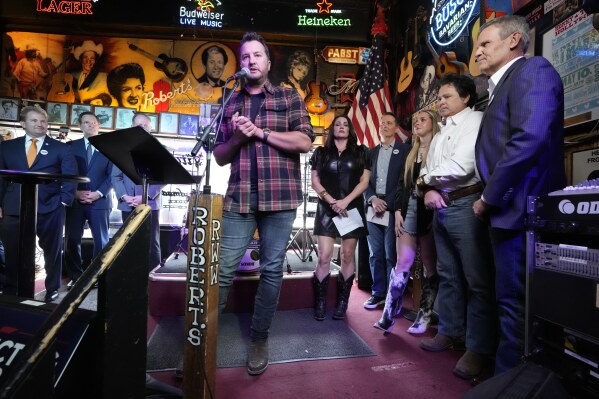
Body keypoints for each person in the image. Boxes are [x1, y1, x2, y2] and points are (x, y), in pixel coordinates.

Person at [213, 32, 313, 376]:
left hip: (281, 197)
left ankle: (259, 338)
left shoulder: (288, 96)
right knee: (222, 270)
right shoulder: (229, 101)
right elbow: (220, 156)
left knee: (271, 270)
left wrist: (260, 133)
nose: (251, 61)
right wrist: (239, 137)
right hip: (240, 196)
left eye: (257, 55)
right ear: (239, 64)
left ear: (268, 63)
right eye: (244, 57)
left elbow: (304, 141)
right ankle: (202, 342)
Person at [473, 15, 566, 374]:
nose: (477, 52)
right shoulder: (501, 86)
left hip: (520, 210)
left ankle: (512, 385)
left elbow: (529, 139)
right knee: (507, 304)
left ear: (514, 40)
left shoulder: (532, 70)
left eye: (485, 43)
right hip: (508, 211)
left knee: (517, 306)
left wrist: (488, 198)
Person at [416, 74, 496, 380]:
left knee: (477, 280)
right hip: (441, 206)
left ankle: (478, 347)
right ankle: (449, 331)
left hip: (466, 203)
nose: (441, 102)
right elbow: (426, 170)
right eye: (440, 97)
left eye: (447, 97)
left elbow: (462, 168)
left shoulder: (476, 121)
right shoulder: (439, 134)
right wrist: (429, 188)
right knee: (448, 275)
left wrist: (426, 181)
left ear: (465, 98)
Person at [0, 106, 77, 301]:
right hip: (13, 206)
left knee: (52, 250)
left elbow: (70, 178)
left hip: (51, 206)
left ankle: (52, 288)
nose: (40, 124)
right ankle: (11, 290)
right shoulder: (7, 147)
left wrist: (64, 202)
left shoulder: (62, 148)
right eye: (34, 121)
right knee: (12, 251)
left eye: (43, 121)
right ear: (23, 124)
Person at [373, 109, 439, 334]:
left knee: (430, 265)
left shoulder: (440, 146)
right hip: (408, 207)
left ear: (434, 122)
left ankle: (424, 315)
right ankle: (388, 314)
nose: (417, 123)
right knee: (402, 263)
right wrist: (399, 210)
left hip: (430, 209)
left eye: (422, 120)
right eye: (415, 121)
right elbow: (402, 184)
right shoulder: (410, 151)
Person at [310, 115, 370, 321]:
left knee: (346, 255)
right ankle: (320, 301)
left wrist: (345, 201)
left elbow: (364, 181)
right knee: (324, 256)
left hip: (351, 208)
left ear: (350, 129)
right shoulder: (321, 152)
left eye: (345, 124)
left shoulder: (361, 151)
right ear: (332, 129)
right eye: (338, 124)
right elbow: (315, 182)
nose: (341, 127)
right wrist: (332, 201)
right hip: (327, 208)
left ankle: (342, 302)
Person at [363, 112, 410, 310]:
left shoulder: (405, 150)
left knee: (392, 254)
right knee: (375, 254)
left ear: (395, 127)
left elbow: (404, 182)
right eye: (382, 123)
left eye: (389, 123)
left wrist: (389, 204)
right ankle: (377, 293)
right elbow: (363, 182)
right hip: (373, 209)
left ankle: (393, 297)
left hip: (393, 209)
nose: (384, 126)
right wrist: (373, 199)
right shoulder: (370, 153)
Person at [64, 112, 114, 288]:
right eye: (86, 122)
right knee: (71, 240)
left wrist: (99, 193)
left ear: (98, 125)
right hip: (75, 201)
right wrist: (75, 193)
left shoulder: (110, 147)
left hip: (100, 202)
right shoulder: (69, 146)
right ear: (80, 126)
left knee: (101, 241)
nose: (90, 125)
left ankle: (97, 276)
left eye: (93, 123)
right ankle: (76, 276)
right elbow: (65, 173)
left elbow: (112, 175)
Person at [111, 113, 164, 270]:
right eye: (138, 126)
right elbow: (115, 176)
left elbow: (163, 177)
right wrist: (124, 196)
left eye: (145, 125)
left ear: (150, 128)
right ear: (132, 127)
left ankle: (153, 275)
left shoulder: (159, 148)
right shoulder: (122, 149)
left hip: (150, 203)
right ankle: (130, 274)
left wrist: (145, 195)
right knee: (127, 240)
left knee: (151, 242)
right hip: (127, 203)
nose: (142, 128)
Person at [72, 40, 111, 105]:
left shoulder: (104, 77)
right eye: (85, 57)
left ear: (95, 61)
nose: (88, 61)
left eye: (92, 58)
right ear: (81, 59)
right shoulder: (72, 76)